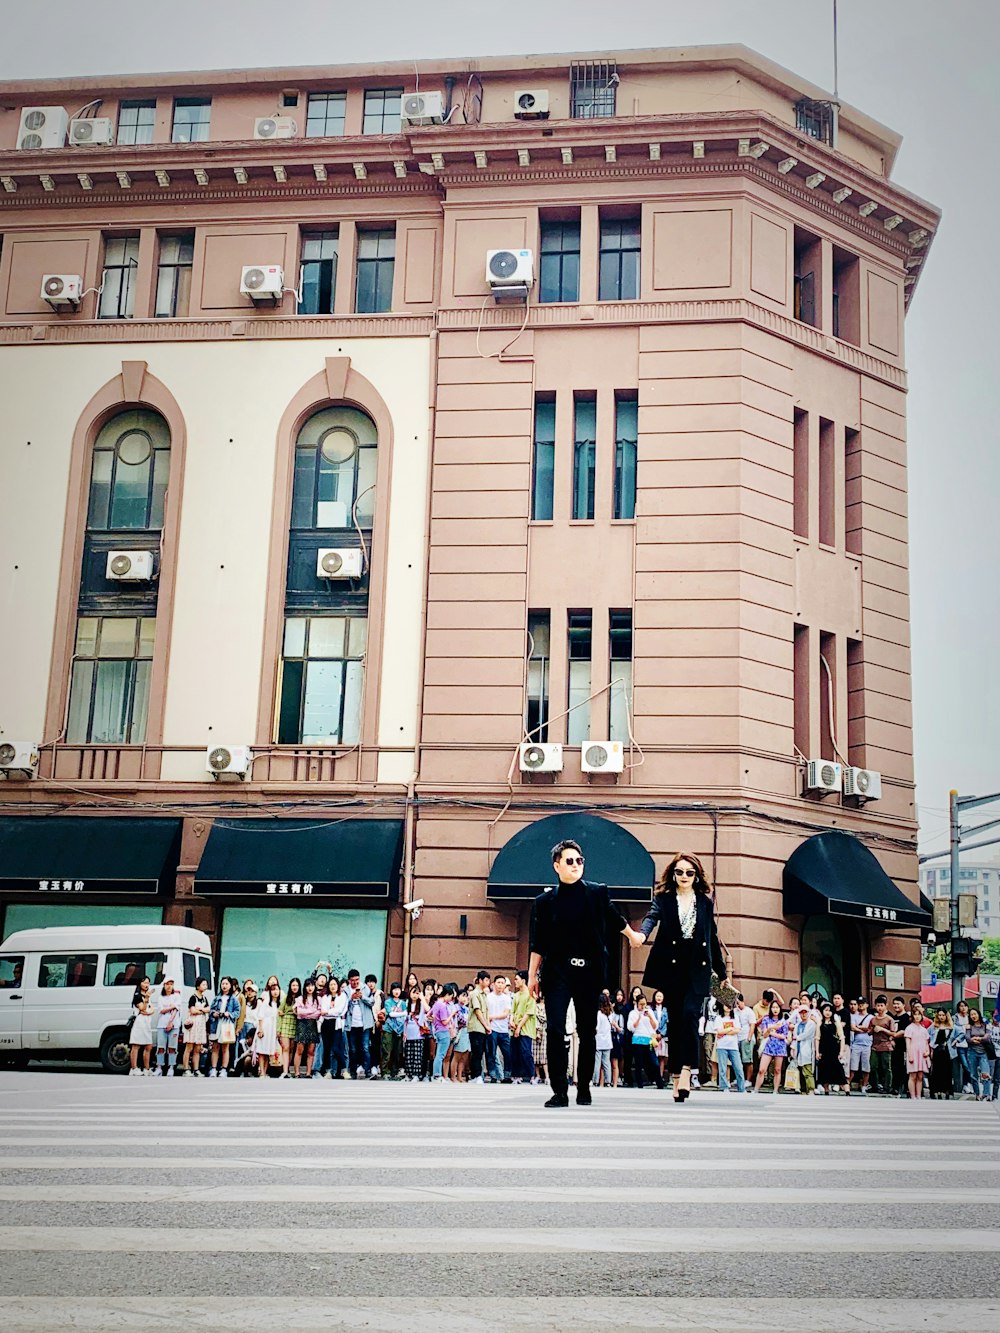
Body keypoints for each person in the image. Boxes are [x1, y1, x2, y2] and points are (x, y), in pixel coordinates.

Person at [528, 839, 645, 1108]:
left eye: (579, 861)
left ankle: (584, 1088)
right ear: (557, 866)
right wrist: (533, 976)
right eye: (569, 861)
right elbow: (538, 943)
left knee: (587, 1031)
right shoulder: (544, 902)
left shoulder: (596, 893)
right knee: (556, 1029)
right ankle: (559, 1090)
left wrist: (633, 936)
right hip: (557, 973)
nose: (575, 865)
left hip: (589, 972)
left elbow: (615, 918)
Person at [636, 851, 728, 1105]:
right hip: (672, 967)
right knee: (676, 1022)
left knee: (690, 1016)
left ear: (696, 875)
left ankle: (687, 1070)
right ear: (673, 874)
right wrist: (642, 935)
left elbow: (712, 937)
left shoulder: (705, 903)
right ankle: (675, 1076)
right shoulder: (664, 899)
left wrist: (721, 975)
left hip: (697, 967)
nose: (684, 876)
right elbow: (650, 918)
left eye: (689, 872)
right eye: (679, 872)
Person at [628, 993, 664, 1090]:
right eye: (641, 1004)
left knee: (654, 1062)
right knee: (639, 1064)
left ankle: (659, 1083)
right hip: (637, 1040)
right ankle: (640, 1084)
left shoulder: (650, 1011)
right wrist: (639, 1017)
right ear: (637, 1003)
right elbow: (631, 1027)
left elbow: (655, 1026)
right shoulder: (632, 1013)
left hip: (648, 1040)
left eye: (644, 1004)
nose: (643, 1006)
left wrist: (650, 1017)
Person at [753, 1000, 789, 1094]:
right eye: (773, 1007)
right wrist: (770, 1029)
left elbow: (784, 1036)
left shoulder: (783, 1021)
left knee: (777, 1069)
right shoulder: (766, 1019)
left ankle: (775, 1090)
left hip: (780, 1046)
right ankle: (756, 1089)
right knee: (762, 1069)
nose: (775, 1009)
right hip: (768, 1045)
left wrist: (773, 1033)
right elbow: (764, 1034)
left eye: (777, 1007)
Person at [510, 970, 537, 1085]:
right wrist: (511, 1021)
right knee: (515, 1052)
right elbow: (513, 1011)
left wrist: (519, 1027)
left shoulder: (530, 995)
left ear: (523, 980)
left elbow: (528, 1013)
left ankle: (532, 1075)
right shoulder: (516, 995)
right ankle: (516, 1075)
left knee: (526, 1052)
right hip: (514, 1027)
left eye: (517, 979)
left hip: (525, 1029)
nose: (515, 982)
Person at [714, 1000, 745, 1093]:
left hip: (733, 1046)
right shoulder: (719, 1018)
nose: (727, 1007)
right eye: (725, 1005)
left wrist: (726, 1030)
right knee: (722, 1068)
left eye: (729, 1005)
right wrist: (731, 1029)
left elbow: (738, 1030)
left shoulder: (735, 1018)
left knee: (738, 1067)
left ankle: (741, 1088)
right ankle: (724, 1087)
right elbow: (719, 1031)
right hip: (722, 1046)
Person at [466, 971, 493, 1082]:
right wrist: (486, 1026)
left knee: (480, 1051)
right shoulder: (474, 994)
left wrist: (487, 1026)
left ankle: (477, 1075)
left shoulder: (483, 994)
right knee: (476, 1052)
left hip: (482, 1028)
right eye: (486, 980)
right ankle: (476, 1075)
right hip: (476, 1027)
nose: (488, 982)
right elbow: (478, 1011)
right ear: (480, 980)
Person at [250, 977, 279, 1078]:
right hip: (265, 1027)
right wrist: (261, 1029)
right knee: (262, 1051)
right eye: (273, 990)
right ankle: (261, 1071)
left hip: (272, 1029)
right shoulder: (266, 1002)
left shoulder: (278, 1004)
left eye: (277, 990)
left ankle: (265, 1071)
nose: (275, 992)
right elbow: (260, 1016)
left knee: (268, 1051)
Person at [816, 1001, 847, 1095]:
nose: (827, 1012)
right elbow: (817, 1038)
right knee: (824, 1069)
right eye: (826, 1010)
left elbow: (842, 1037)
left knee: (839, 1069)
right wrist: (817, 1052)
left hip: (834, 1049)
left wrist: (841, 1051)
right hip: (824, 1049)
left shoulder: (836, 1023)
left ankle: (847, 1090)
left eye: (829, 1010)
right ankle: (826, 1090)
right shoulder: (819, 1023)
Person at [293, 976, 321, 1078]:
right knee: (299, 1049)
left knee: (311, 1051)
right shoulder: (300, 999)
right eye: (308, 986)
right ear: (304, 987)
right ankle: (297, 1072)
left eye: (312, 985)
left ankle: (309, 1072)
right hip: (302, 1024)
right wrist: (312, 1011)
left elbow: (318, 1014)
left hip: (312, 1025)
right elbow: (299, 1013)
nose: (310, 988)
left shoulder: (318, 999)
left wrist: (307, 1013)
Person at [153, 978, 182, 1077]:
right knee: (161, 1047)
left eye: (171, 984)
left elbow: (176, 1010)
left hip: (174, 1025)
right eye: (167, 984)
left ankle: (171, 1067)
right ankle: (159, 1067)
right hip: (161, 1024)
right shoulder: (161, 997)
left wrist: (170, 1022)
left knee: (172, 1047)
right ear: (164, 985)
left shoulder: (177, 996)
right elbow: (162, 1010)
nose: (169, 986)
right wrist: (171, 1006)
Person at [487, 975, 514, 1083]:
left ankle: (507, 1075)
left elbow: (506, 1013)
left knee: (507, 1053)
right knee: (491, 1053)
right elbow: (486, 1011)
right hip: (492, 1029)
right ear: (493, 984)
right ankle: (493, 1075)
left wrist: (492, 1017)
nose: (500, 985)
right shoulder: (488, 997)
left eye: (502, 983)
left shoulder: (506, 998)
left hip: (503, 1030)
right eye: (498, 982)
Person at [181, 980, 210, 1076]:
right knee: (189, 1047)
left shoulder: (205, 998)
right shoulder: (193, 997)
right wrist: (202, 1010)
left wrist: (200, 1010)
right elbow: (192, 1010)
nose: (205, 986)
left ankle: (196, 1069)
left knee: (198, 1048)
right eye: (203, 984)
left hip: (201, 1025)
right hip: (193, 1024)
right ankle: (186, 1069)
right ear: (198, 986)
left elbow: (208, 1009)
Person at [870, 996, 896, 1095]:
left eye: (881, 1005)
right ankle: (875, 1086)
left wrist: (882, 1029)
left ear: (886, 1006)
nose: (880, 1008)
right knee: (873, 1066)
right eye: (878, 1006)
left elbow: (893, 1033)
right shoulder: (873, 1019)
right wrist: (872, 1030)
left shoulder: (889, 1019)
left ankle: (887, 1087)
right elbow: (869, 1031)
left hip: (886, 1046)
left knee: (886, 1068)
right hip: (874, 1046)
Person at [904, 1002, 931, 1099]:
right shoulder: (909, 1028)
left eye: (919, 1015)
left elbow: (926, 1042)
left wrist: (927, 1052)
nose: (917, 1017)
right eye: (915, 1015)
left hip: (922, 1054)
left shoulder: (924, 1030)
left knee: (920, 1076)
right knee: (913, 1076)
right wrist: (910, 1055)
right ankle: (912, 1095)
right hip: (913, 1053)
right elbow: (908, 1043)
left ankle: (919, 1095)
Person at [128, 977, 154, 1076]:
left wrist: (148, 1011)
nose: (147, 985)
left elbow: (151, 1010)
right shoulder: (137, 996)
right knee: (136, 1045)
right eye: (144, 982)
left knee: (148, 1045)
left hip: (147, 1022)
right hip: (140, 1022)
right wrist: (146, 999)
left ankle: (146, 1069)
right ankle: (133, 1068)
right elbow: (142, 1008)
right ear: (140, 984)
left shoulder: (147, 996)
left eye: (148, 983)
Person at [790, 1001, 817, 1095]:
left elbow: (806, 1035)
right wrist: (793, 1048)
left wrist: (797, 1038)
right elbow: (794, 1036)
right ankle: (801, 1089)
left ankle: (811, 1089)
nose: (803, 1014)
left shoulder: (811, 1024)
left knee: (808, 1070)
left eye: (805, 1012)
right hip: (798, 1049)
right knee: (799, 1070)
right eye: (801, 1012)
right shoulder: (797, 1025)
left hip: (807, 1049)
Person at [966, 1008, 993, 1101]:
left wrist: (979, 1039)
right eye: (971, 1014)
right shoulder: (969, 1026)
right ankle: (977, 1094)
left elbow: (987, 1036)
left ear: (979, 1014)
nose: (973, 1016)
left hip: (984, 1052)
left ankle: (987, 1094)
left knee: (985, 1073)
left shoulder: (985, 1025)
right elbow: (967, 1038)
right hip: (972, 1052)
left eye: (975, 1014)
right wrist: (972, 1039)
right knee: (973, 1075)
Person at [382, 982, 407, 1079]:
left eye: (398, 989)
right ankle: (384, 1071)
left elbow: (406, 1014)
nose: (396, 991)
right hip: (388, 1029)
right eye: (394, 989)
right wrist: (401, 1013)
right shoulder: (388, 1002)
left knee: (397, 1052)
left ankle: (394, 1072)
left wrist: (398, 1014)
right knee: (387, 1050)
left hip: (399, 1030)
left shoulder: (403, 1003)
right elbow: (391, 1014)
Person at [849, 997, 874, 1094]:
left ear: (867, 1005)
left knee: (866, 1066)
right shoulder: (854, 1016)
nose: (860, 1005)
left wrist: (858, 1027)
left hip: (867, 1044)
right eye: (859, 1003)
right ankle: (848, 1083)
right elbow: (852, 1028)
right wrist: (864, 1029)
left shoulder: (871, 1017)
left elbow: (871, 1028)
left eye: (863, 1003)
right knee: (853, 1066)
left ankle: (864, 1085)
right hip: (856, 1043)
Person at [277, 978, 300, 1079]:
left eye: (296, 985)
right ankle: (285, 1071)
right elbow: (279, 1013)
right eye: (293, 985)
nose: (295, 987)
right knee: (285, 1048)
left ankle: (288, 1070)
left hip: (296, 1024)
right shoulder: (286, 998)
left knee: (291, 1049)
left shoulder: (301, 999)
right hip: (286, 1023)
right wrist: (279, 1028)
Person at [928, 1009, 954, 1099]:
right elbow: (927, 1036)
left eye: (943, 1015)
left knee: (947, 1072)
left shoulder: (951, 1026)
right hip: (937, 1051)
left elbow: (961, 1033)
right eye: (939, 1015)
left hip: (947, 1051)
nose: (941, 1017)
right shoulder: (933, 1026)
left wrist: (955, 1041)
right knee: (936, 1072)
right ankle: (937, 1091)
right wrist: (930, 1048)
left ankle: (947, 1091)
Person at [889, 995, 909, 1096]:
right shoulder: (893, 1017)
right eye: (894, 1004)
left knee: (904, 1068)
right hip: (894, 1047)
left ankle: (906, 1088)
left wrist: (893, 1036)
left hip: (904, 1046)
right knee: (895, 1067)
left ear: (903, 1005)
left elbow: (902, 1031)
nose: (896, 1006)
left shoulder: (906, 1018)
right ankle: (895, 1087)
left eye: (898, 1004)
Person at [952, 1000, 972, 1095]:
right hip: (959, 1045)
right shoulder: (955, 1018)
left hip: (969, 1045)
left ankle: (967, 1084)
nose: (963, 1008)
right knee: (965, 1066)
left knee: (969, 1066)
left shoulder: (970, 1017)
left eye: (965, 1006)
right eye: (961, 1006)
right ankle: (965, 1084)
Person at [593, 994, 614, 1088]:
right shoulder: (610, 1013)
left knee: (597, 1062)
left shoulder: (599, 1014)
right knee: (607, 1062)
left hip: (599, 1040)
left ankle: (595, 1080)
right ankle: (608, 1081)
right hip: (608, 1041)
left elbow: (596, 1028)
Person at [451, 987, 471, 1083]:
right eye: (462, 996)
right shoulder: (455, 1007)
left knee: (464, 1057)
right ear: (457, 997)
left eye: (466, 996)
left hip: (467, 1033)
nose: (464, 998)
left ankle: (459, 1076)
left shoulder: (467, 1009)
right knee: (457, 1056)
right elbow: (461, 1020)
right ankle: (453, 1076)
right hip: (460, 1032)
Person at [735, 994, 756, 1087]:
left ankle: (748, 1080)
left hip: (746, 1037)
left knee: (747, 1060)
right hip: (736, 1038)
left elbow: (752, 1025)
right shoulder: (734, 1011)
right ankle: (739, 1078)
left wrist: (749, 1037)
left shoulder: (749, 1011)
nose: (737, 1005)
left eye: (738, 1003)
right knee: (737, 1060)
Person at [403, 991, 424, 1080]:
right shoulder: (406, 1004)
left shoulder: (421, 1005)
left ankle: (416, 1074)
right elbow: (404, 1020)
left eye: (417, 993)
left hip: (418, 1034)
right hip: (408, 1033)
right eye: (413, 993)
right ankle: (408, 1074)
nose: (415, 995)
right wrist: (404, 1032)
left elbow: (423, 1018)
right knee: (408, 1055)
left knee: (417, 1056)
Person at [650, 989, 669, 1083]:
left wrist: (661, 1034)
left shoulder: (665, 1009)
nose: (659, 998)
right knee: (654, 1057)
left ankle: (660, 1077)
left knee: (661, 1057)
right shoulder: (650, 1008)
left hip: (662, 1036)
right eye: (657, 996)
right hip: (653, 1035)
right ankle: (654, 1077)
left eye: (660, 996)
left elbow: (666, 1023)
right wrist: (655, 1033)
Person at [532, 997, 548, 1086]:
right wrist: (537, 1030)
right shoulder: (535, 1006)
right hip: (535, 1031)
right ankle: (537, 1076)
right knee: (535, 1054)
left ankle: (547, 1076)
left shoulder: (549, 1006)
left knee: (544, 1054)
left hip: (546, 1031)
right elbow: (534, 1018)